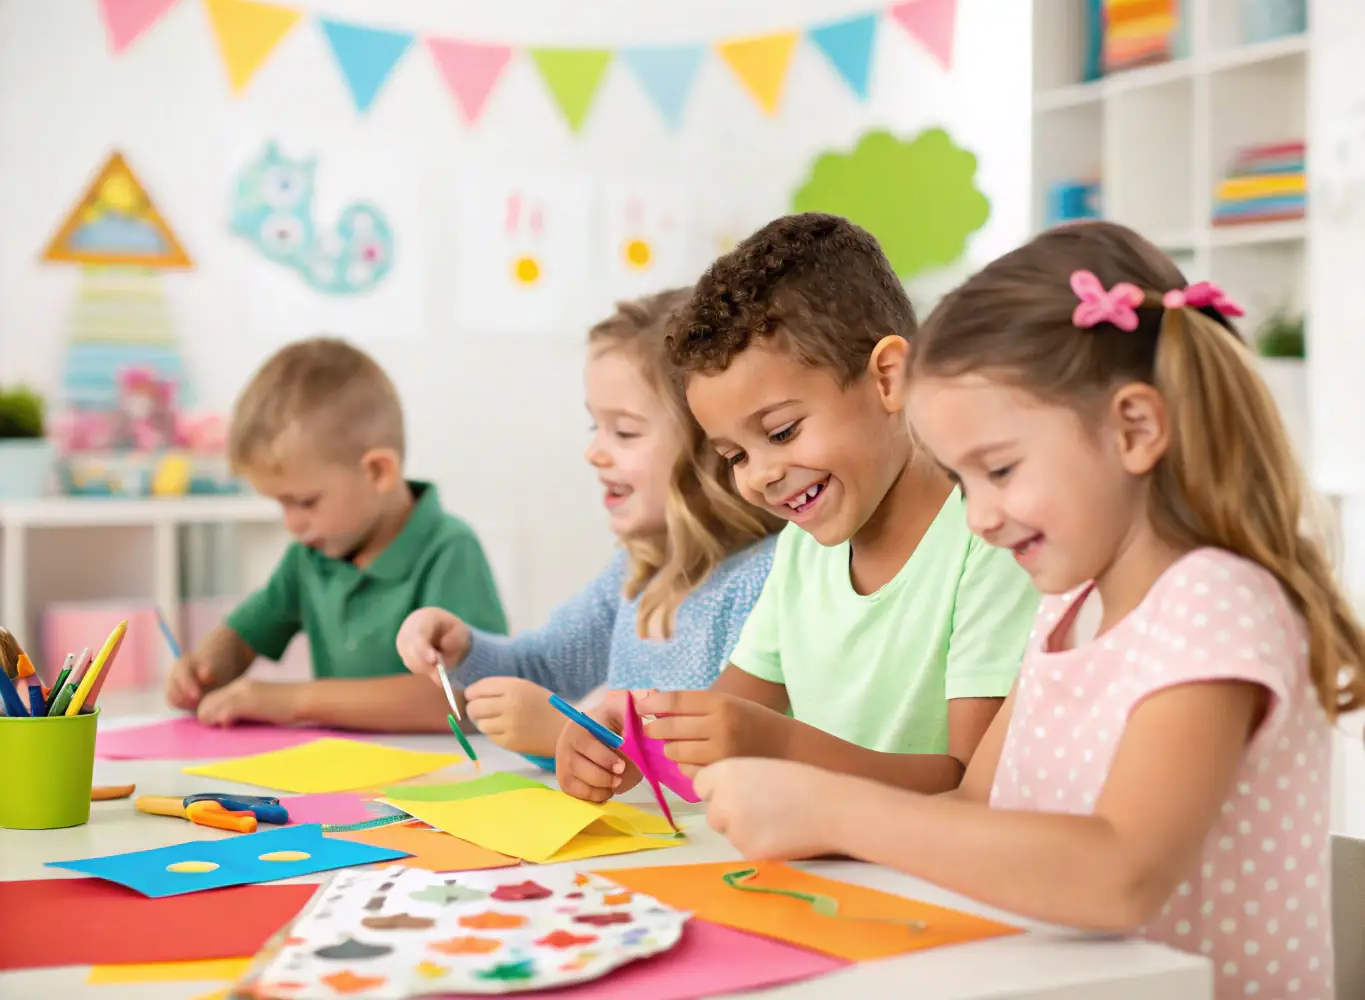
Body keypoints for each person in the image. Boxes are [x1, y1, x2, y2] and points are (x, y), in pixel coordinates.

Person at [695, 221, 1365, 1000]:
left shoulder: (1215, 606)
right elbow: (974, 808)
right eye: (962, 479)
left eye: (1001, 469)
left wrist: (835, 811)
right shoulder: (1065, 611)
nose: (977, 516)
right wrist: (809, 819)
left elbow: (1119, 875)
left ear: (1134, 428)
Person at [556, 213, 1038, 801]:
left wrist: (777, 744)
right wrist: (629, 739)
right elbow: (716, 728)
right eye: (734, 455)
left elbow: (967, 785)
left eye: (781, 432)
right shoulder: (801, 551)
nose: (760, 476)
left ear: (889, 377)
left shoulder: (987, 541)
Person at [396, 288, 781, 758]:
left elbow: (717, 751)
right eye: (593, 427)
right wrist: (463, 650)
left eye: (624, 432)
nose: (594, 452)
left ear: (714, 446)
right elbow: (539, 667)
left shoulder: (766, 580)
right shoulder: (634, 576)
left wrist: (565, 734)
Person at [166, 338, 507, 732]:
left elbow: (452, 701)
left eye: (306, 502)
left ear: (378, 471)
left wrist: (291, 700)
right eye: (282, 504)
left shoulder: (449, 549)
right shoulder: (310, 557)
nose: (292, 524)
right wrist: (207, 667)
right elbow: (244, 637)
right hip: (338, 775)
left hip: (446, 776)